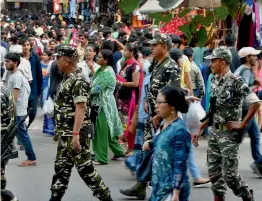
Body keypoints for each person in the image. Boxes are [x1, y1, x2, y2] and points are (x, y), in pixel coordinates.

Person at [193, 46, 261, 201]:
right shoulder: (215, 80)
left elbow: (255, 102)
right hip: (215, 134)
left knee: (230, 176)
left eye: (213, 61)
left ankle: (247, 196)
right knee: (214, 176)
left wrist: (242, 124)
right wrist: (200, 128)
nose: (210, 64)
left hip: (229, 135)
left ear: (222, 62)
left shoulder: (236, 81)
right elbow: (213, 110)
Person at [120, 33, 181, 199]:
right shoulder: (156, 63)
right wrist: (147, 102)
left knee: (160, 154)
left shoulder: (171, 66)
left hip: (163, 118)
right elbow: (152, 88)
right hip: (153, 114)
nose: (152, 48)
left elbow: (173, 94)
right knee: (148, 150)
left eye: (156, 45)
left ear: (165, 46)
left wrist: (162, 116)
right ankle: (142, 185)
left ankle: (162, 188)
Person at [49, 46, 112, 201]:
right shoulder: (68, 78)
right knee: (61, 169)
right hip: (66, 133)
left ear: (65, 60)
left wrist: (76, 134)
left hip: (75, 133)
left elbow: (81, 107)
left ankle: (106, 197)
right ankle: (54, 198)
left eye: (58, 59)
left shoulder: (78, 80)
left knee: (86, 170)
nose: (56, 62)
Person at [147, 86, 191, 201]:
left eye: (159, 102)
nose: (156, 106)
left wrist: (176, 193)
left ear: (172, 106)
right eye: (156, 102)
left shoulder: (179, 130)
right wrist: (151, 143)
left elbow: (180, 163)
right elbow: (163, 142)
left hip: (170, 191)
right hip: (159, 187)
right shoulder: (164, 123)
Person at [91, 49, 124, 165]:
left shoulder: (107, 73)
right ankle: (119, 151)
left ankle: (101, 158)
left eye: (99, 57)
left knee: (100, 131)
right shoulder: (101, 70)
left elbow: (97, 89)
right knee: (108, 131)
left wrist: (84, 92)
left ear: (105, 60)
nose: (96, 58)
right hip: (98, 103)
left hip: (103, 106)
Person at [5, 52, 37, 167]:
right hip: (15, 111)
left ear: (15, 62)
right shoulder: (12, 75)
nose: (6, 63)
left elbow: (14, 97)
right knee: (11, 135)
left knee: (22, 135)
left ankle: (31, 157)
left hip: (17, 111)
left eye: (8, 61)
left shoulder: (17, 77)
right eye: (5, 61)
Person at [234, 47, 262, 177]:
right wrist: (256, 85)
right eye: (254, 55)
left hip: (246, 107)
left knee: (255, 135)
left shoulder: (243, 70)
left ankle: (259, 161)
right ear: (247, 57)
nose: (256, 58)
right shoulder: (245, 71)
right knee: (239, 137)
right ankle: (224, 159)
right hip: (246, 108)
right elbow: (242, 91)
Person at [117, 43, 141, 156]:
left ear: (131, 52)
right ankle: (129, 147)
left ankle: (132, 148)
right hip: (122, 97)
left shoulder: (135, 66)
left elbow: (135, 83)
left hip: (130, 98)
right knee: (124, 122)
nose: (123, 52)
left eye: (126, 50)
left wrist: (121, 82)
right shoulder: (125, 64)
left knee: (129, 122)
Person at [21, 38, 43, 129]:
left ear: (30, 46)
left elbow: (39, 74)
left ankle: (24, 130)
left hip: (33, 90)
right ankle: (21, 133)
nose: (26, 47)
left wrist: (39, 90)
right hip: (20, 90)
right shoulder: (18, 58)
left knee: (33, 113)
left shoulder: (35, 57)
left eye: (27, 45)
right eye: (24, 45)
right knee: (20, 114)